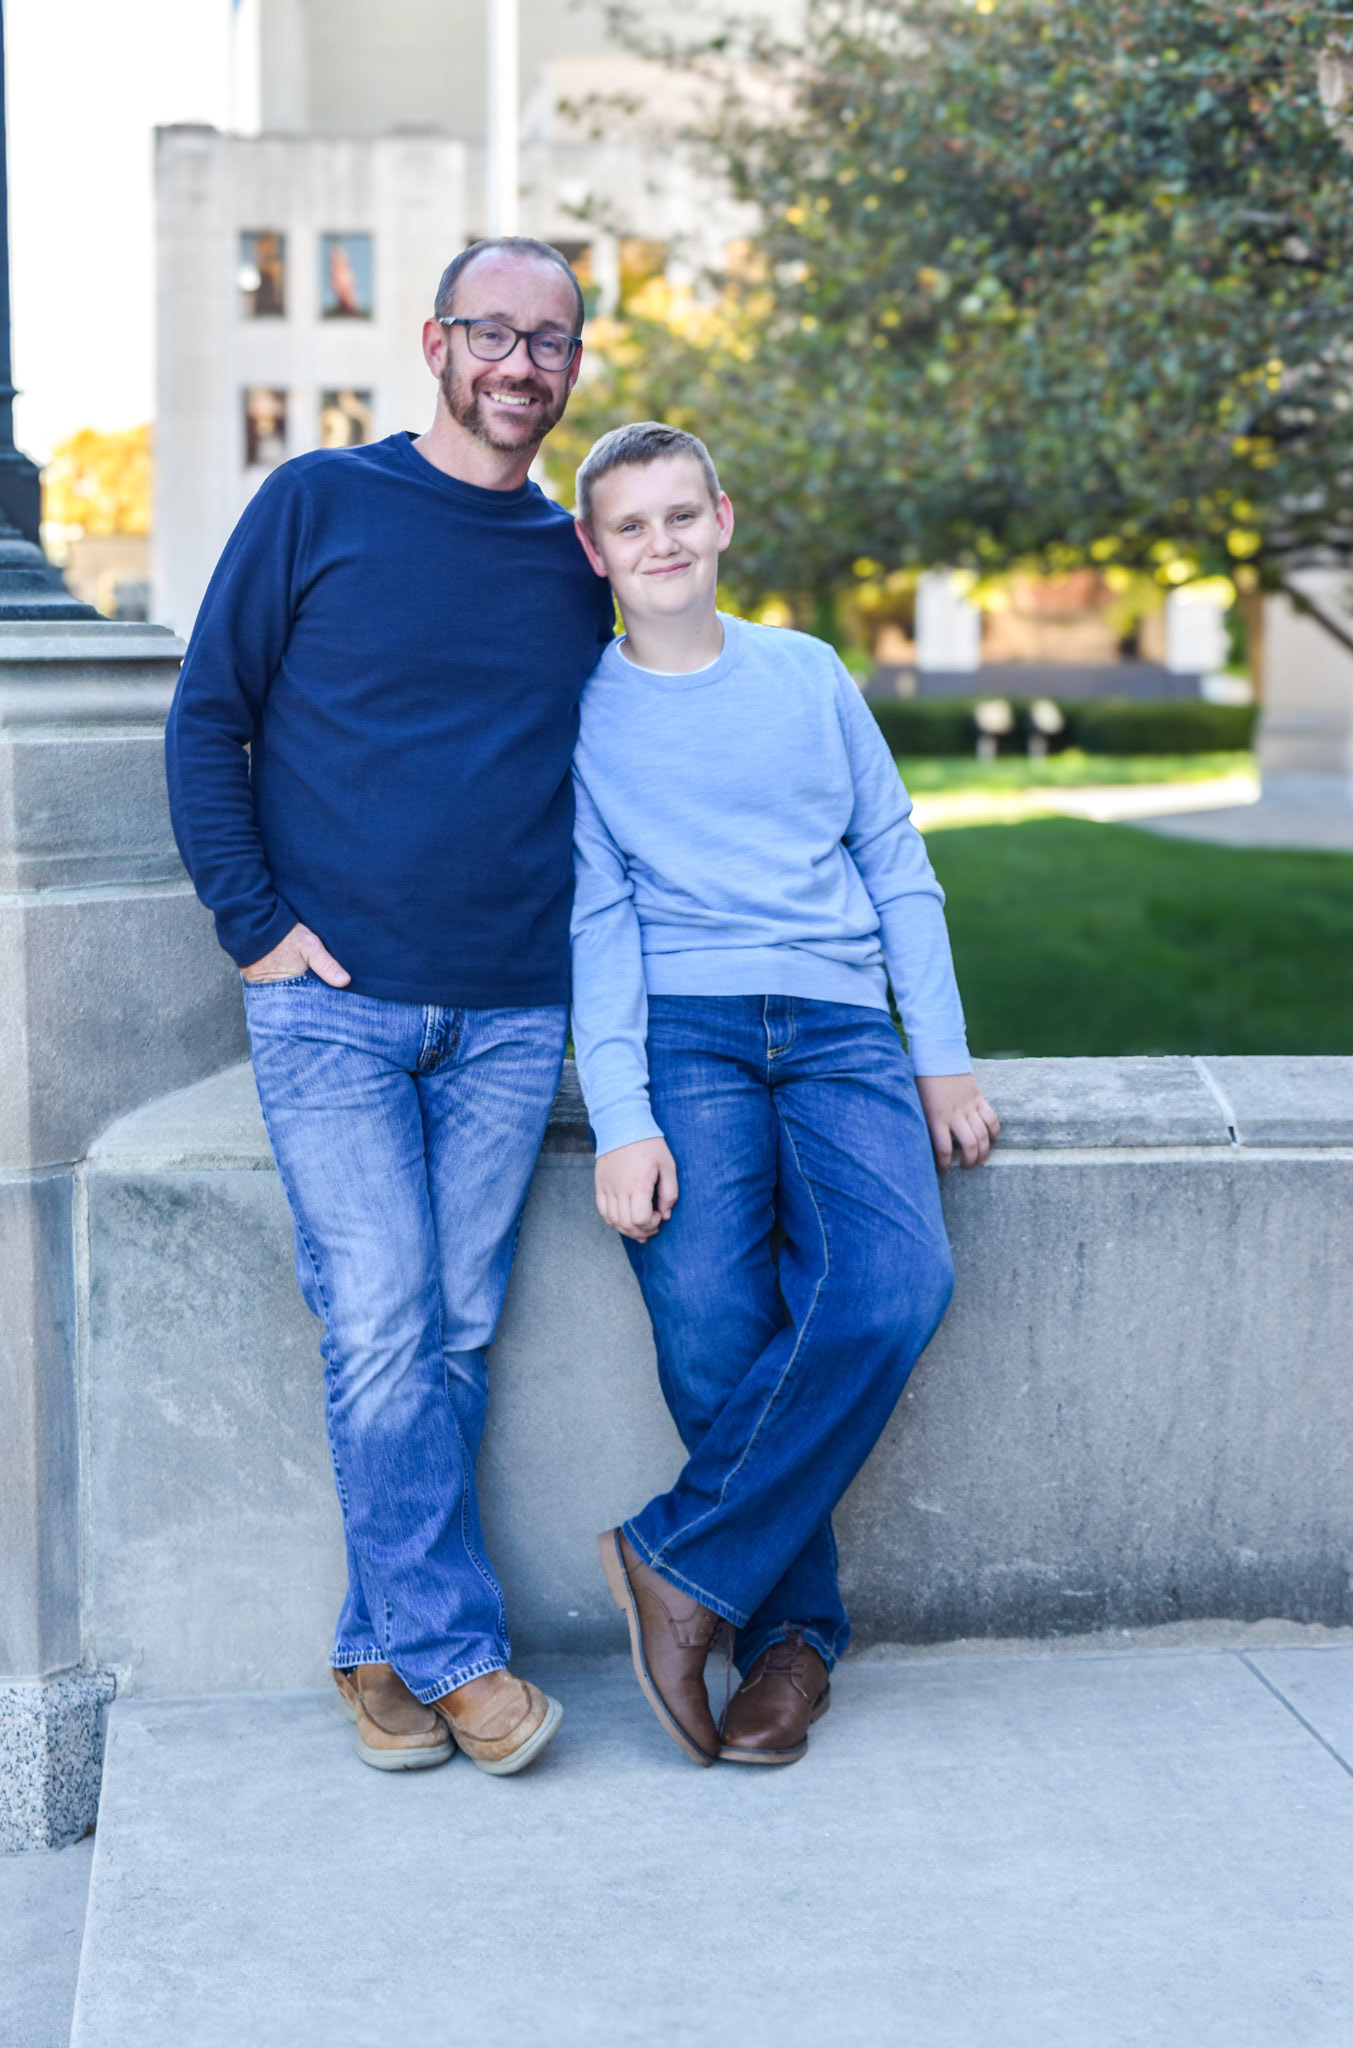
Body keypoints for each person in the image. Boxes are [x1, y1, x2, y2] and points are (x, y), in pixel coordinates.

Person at [165, 237, 615, 1776]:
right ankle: (459, 1657)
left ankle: (375, 1649)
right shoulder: (318, 502)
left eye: (550, 342)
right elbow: (207, 718)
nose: (520, 365)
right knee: (376, 1315)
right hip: (331, 1007)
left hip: (510, 1009)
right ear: (434, 344)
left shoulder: (574, 561)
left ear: (572, 366)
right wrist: (256, 928)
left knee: (457, 1328)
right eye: (494, 333)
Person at [569, 421, 1000, 1768]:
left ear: (723, 519)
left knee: (894, 1285)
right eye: (630, 525)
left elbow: (893, 858)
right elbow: (596, 920)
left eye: (679, 514)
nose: (660, 542)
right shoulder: (582, 711)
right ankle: (792, 1643)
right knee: (708, 1317)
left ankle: (675, 1560)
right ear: (594, 550)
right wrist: (623, 1116)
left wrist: (939, 1054)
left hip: (838, 1024)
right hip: (685, 1032)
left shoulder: (807, 673)